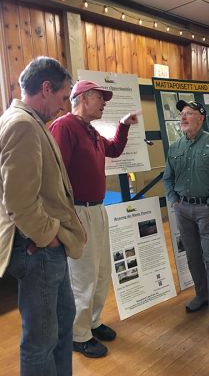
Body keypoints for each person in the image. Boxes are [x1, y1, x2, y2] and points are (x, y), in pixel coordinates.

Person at [0, 56, 86, 376]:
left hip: (44, 247)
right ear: (46, 88)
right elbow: (19, 201)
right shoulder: (22, 124)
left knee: (63, 320)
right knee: (40, 340)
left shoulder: (28, 120)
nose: (65, 106)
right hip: (39, 249)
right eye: (64, 97)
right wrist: (49, 237)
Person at [49, 80, 139, 358]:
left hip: (97, 209)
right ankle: (79, 334)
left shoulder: (90, 130)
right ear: (84, 98)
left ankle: (93, 321)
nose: (104, 103)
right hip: (78, 212)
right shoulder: (64, 127)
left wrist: (123, 125)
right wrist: (65, 216)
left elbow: (113, 149)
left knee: (101, 271)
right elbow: (54, 173)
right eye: (100, 98)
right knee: (83, 276)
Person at [163, 100, 209, 338]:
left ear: (201, 118)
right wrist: (173, 199)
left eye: (189, 113)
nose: (183, 117)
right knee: (192, 256)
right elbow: (167, 177)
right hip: (183, 209)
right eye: (181, 114)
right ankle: (202, 295)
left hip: (206, 210)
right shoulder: (175, 147)